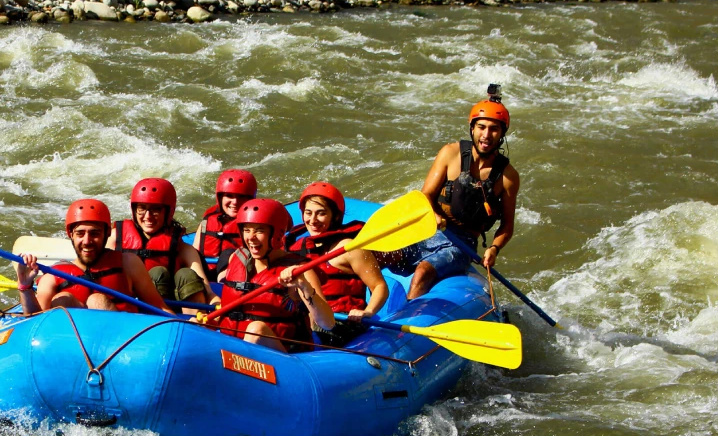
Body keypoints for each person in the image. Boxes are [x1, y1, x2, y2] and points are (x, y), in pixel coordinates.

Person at [380, 86, 520, 299]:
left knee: (423, 272)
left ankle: (406, 328)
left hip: (461, 244)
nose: (486, 135)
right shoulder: (450, 153)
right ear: (472, 128)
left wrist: (494, 249)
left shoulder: (508, 177)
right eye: (481, 127)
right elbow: (426, 194)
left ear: (502, 133)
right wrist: (434, 215)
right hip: (428, 231)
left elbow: (507, 225)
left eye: (494, 129)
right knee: (383, 253)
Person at [15, 199, 173, 315]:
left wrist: (186, 325)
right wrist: (25, 286)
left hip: (121, 343)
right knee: (63, 300)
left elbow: (158, 308)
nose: (87, 241)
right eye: (80, 233)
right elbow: (33, 320)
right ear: (71, 235)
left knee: (97, 300)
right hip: (69, 346)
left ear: (107, 234)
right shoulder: (52, 276)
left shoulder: (128, 263)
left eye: (95, 233)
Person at [216, 198, 334, 353]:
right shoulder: (236, 258)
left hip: (283, 358)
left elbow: (327, 323)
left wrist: (303, 285)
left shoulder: (299, 269)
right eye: (247, 230)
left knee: (256, 329)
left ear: (277, 234)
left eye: (259, 230)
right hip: (232, 349)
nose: (251, 237)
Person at [286, 181, 388, 347]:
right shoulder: (298, 248)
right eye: (308, 213)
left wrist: (368, 312)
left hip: (342, 323)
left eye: (321, 214)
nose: (312, 220)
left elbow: (379, 286)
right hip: (310, 322)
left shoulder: (349, 248)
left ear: (335, 216)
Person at [110, 178, 216, 309]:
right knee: (157, 273)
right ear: (134, 210)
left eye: (155, 210)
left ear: (168, 212)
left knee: (184, 275)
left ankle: (197, 323)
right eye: (142, 209)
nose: (147, 216)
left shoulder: (181, 247)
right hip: (136, 308)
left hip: (172, 308)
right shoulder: (116, 238)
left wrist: (217, 304)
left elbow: (208, 291)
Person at [192, 169, 257, 280]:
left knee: (228, 253)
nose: (235, 202)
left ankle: (222, 281)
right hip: (205, 275)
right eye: (229, 196)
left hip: (235, 277)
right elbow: (194, 251)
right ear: (220, 197)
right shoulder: (208, 219)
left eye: (241, 196)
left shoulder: (255, 223)